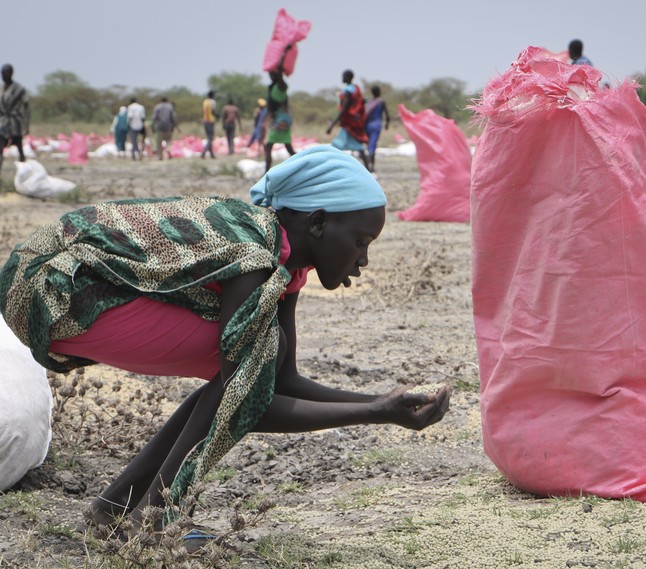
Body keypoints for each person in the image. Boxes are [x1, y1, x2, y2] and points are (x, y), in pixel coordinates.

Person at [0, 144, 452, 548]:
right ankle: (157, 520)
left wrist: (380, 401)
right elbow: (250, 398)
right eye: (360, 242)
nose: (364, 259)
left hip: (70, 290)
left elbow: (281, 380)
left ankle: (114, 510)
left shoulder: (285, 264)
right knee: (247, 364)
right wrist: (373, 413)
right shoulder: (255, 255)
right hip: (50, 289)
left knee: (251, 362)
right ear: (317, 222)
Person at [326, 70, 370, 170]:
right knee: (358, 147)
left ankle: (332, 168)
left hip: (348, 123)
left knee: (336, 146)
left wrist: (332, 124)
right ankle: (369, 169)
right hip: (354, 122)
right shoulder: (356, 89)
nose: (342, 78)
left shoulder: (348, 91)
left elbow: (344, 109)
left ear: (347, 77)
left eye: (343, 76)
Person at [264, 45, 297, 173]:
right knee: (287, 147)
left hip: (281, 119)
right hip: (279, 118)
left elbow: (279, 70)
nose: (271, 76)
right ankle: (267, 171)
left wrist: (283, 52)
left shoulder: (281, 85)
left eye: (272, 75)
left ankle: (266, 172)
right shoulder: (274, 86)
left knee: (269, 146)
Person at [0, 64, 30, 176]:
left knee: (19, 147)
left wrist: (26, 125)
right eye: (2, 73)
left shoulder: (19, 89)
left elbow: (26, 106)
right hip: (3, 123)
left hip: (15, 122)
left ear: (11, 73)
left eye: (6, 73)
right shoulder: (1, 88)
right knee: (0, 147)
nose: (3, 75)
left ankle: (24, 173)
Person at [363, 85, 390, 173]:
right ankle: (368, 164)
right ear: (379, 92)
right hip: (376, 125)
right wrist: (387, 124)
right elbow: (387, 115)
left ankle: (371, 167)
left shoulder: (369, 103)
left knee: (370, 145)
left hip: (367, 126)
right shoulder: (381, 102)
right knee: (373, 146)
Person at [200, 90, 218, 159]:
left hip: (205, 121)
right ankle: (203, 153)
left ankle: (212, 155)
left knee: (209, 138)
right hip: (210, 121)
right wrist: (217, 116)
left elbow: (203, 111)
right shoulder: (212, 102)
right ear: (213, 95)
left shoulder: (205, 102)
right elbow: (213, 111)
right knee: (210, 138)